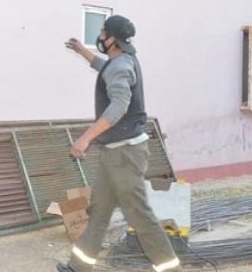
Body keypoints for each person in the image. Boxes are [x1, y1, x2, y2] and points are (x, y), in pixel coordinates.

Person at [59, 15, 180, 272]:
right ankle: (78, 266)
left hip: (126, 155)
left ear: (113, 39)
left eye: (103, 32)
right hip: (114, 154)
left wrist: (85, 138)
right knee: (99, 211)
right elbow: (105, 68)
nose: (100, 36)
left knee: (140, 216)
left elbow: (119, 106)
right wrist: (83, 52)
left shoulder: (120, 66)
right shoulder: (118, 61)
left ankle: (171, 269)